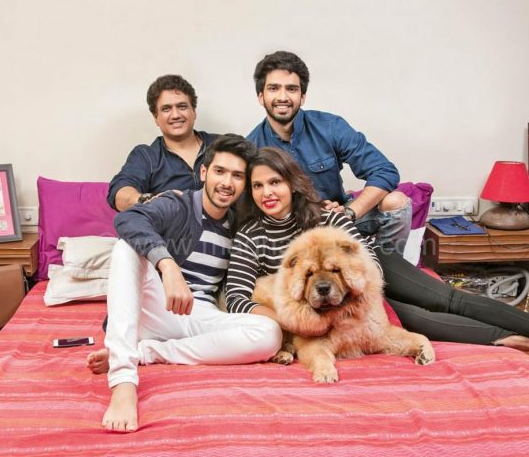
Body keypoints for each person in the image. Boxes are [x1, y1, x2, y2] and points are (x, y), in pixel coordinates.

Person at [225, 147, 529, 352]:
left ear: (291, 184)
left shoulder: (326, 215)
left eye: (275, 182)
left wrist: (366, 294)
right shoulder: (249, 237)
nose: (267, 193)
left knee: (445, 298)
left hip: (373, 273)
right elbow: (237, 299)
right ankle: (506, 339)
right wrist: (293, 321)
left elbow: (365, 257)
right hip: (333, 305)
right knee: (419, 319)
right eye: (257, 186)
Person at [87, 135, 282, 432]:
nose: (226, 183)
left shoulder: (240, 223)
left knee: (269, 333)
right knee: (126, 248)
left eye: (237, 175)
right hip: (157, 307)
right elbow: (129, 220)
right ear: (204, 172)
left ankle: (147, 352)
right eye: (220, 171)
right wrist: (167, 266)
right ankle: (123, 379)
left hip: (199, 314)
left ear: (244, 184)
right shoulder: (177, 203)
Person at [247, 51, 412, 253]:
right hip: (288, 233)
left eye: (291, 89)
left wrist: (349, 212)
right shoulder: (251, 147)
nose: (283, 97)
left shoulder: (330, 126)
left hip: (339, 222)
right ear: (261, 96)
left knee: (396, 202)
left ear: (302, 96)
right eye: (274, 88)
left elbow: (384, 171)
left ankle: (387, 267)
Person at [107, 74, 219, 211]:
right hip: (172, 223)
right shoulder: (146, 156)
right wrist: (150, 201)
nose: (176, 115)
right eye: (166, 109)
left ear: (194, 112)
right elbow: (119, 193)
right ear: (156, 118)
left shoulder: (222, 145)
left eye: (182, 106)